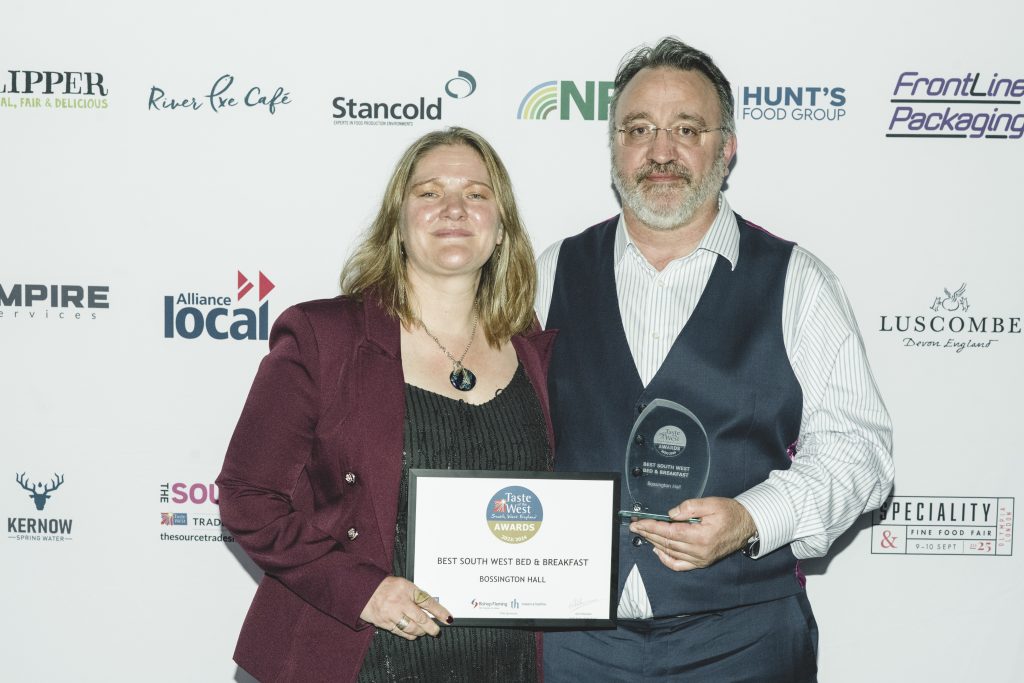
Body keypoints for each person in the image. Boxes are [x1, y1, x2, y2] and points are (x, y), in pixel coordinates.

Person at [536, 38, 894, 681]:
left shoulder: (798, 281)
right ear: (614, 147)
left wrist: (754, 517)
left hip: (744, 639)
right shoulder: (546, 274)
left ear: (726, 148)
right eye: (638, 129)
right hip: (570, 641)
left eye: (687, 129)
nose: (662, 151)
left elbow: (858, 448)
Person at [217, 127, 556, 683]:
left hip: (501, 665)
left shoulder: (532, 349)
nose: (452, 208)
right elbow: (246, 497)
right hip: (353, 659)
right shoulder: (323, 337)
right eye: (428, 193)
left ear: (501, 230)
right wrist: (362, 591)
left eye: (476, 193)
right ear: (397, 224)